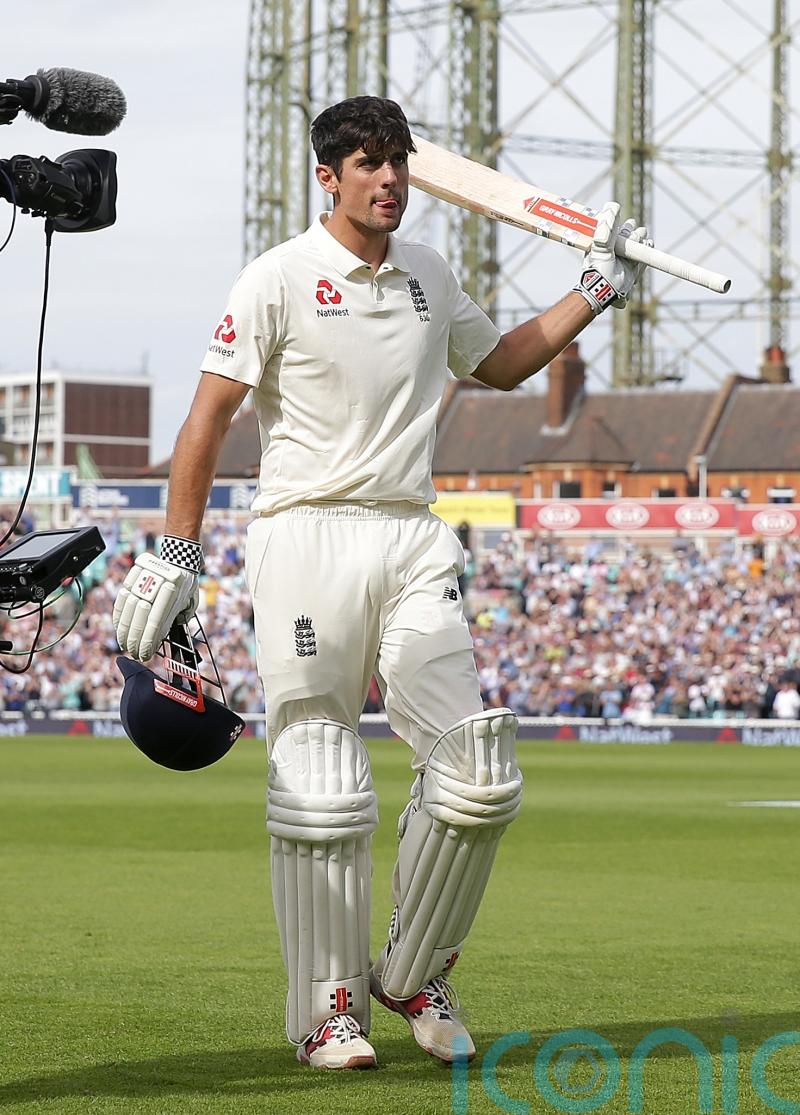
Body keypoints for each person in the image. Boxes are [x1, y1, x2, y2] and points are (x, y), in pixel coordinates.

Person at [112, 96, 649, 1071]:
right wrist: (177, 549)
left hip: (409, 533)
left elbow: (499, 361)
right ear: (329, 175)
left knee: (476, 771)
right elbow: (206, 419)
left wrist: (593, 290)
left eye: (398, 161)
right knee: (320, 775)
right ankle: (327, 1010)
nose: (389, 179)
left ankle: (411, 973)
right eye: (368, 163)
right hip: (303, 534)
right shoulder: (278, 278)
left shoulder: (429, 275)